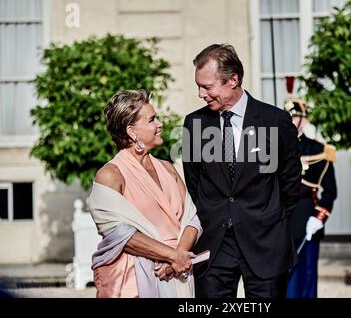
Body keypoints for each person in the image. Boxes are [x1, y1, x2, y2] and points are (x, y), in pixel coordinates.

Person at [182, 44, 302, 298]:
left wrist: (267, 218)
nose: (201, 94)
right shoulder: (194, 124)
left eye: (207, 86)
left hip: (265, 245)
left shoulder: (276, 121)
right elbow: (194, 184)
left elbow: (290, 185)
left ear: (233, 80)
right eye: (198, 85)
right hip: (214, 247)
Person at [88, 89, 202, 298]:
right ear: (131, 131)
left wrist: (178, 259)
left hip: (179, 276)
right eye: (152, 120)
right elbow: (120, 235)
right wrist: (172, 257)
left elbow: (192, 219)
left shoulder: (168, 168)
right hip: (136, 281)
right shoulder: (110, 175)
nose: (160, 124)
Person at [283, 97, 337, 298]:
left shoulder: (318, 150)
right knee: (284, 275)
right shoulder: (275, 149)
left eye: (294, 116)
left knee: (306, 273)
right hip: (281, 219)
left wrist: (318, 217)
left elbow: (330, 192)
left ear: (303, 121)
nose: (289, 121)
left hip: (307, 217)